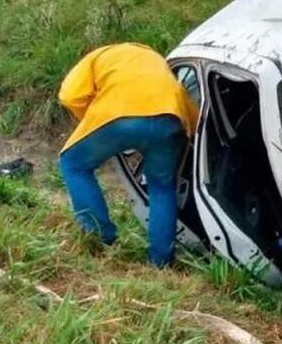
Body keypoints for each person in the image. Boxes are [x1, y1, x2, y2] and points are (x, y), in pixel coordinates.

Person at [58, 43, 199, 267]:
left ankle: (100, 239)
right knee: (162, 188)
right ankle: (161, 261)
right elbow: (189, 110)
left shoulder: (97, 57)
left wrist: (92, 119)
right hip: (170, 119)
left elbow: (69, 96)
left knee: (73, 164)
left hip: (118, 117)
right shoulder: (156, 61)